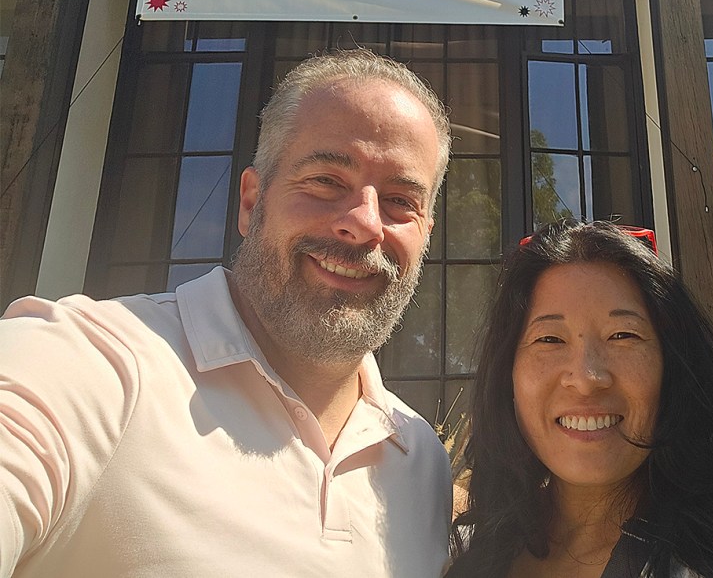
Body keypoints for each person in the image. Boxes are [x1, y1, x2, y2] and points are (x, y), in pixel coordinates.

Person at [0, 49, 454, 576]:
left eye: (401, 200)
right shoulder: (92, 363)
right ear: (250, 201)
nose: (364, 224)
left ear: (425, 234)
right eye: (326, 181)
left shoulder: (422, 460)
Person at [447, 220, 713, 578]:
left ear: (673, 366)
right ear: (506, 374)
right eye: (550, 339)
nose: (586, 379)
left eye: (622, 336)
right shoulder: (458, 552)